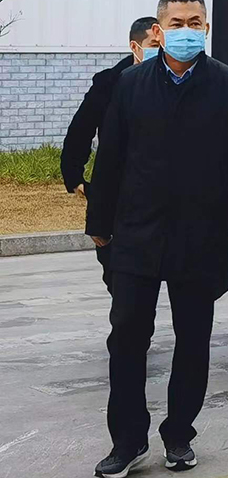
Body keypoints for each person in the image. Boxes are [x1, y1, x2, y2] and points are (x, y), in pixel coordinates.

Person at [85, 0, 228, 478]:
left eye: (195, 22)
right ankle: (127, 440)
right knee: (126, 337)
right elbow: (111, 155)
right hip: (137, 232)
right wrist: (99, 222)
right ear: (159, 31)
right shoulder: (131, 84)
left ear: (207, 27)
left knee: (193, 338)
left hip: (200, 233)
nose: (187, 31)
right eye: (178, 23)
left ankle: (179, 433)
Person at [61, 17, 159, 294]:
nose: (160, 51)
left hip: (161, 193)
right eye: (153, 45)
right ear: (135, 47)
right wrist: (74, 176)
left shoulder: (173, 81)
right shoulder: (109, 83)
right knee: (119, 277)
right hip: (118, 189)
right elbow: (81, 129)